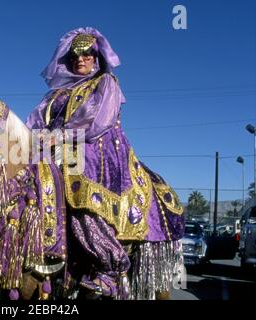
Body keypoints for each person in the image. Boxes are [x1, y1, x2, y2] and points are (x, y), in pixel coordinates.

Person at [26, 27, 185, 299]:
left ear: (96, 57)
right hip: (53, 146)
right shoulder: (53, 96)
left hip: (95, 145)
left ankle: (106, 265)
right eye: (75, 54)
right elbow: (34, 124)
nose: (81, 59)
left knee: (75, 173)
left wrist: (59, 138)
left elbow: (97, 121)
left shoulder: (105, 82)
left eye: (87, 54)